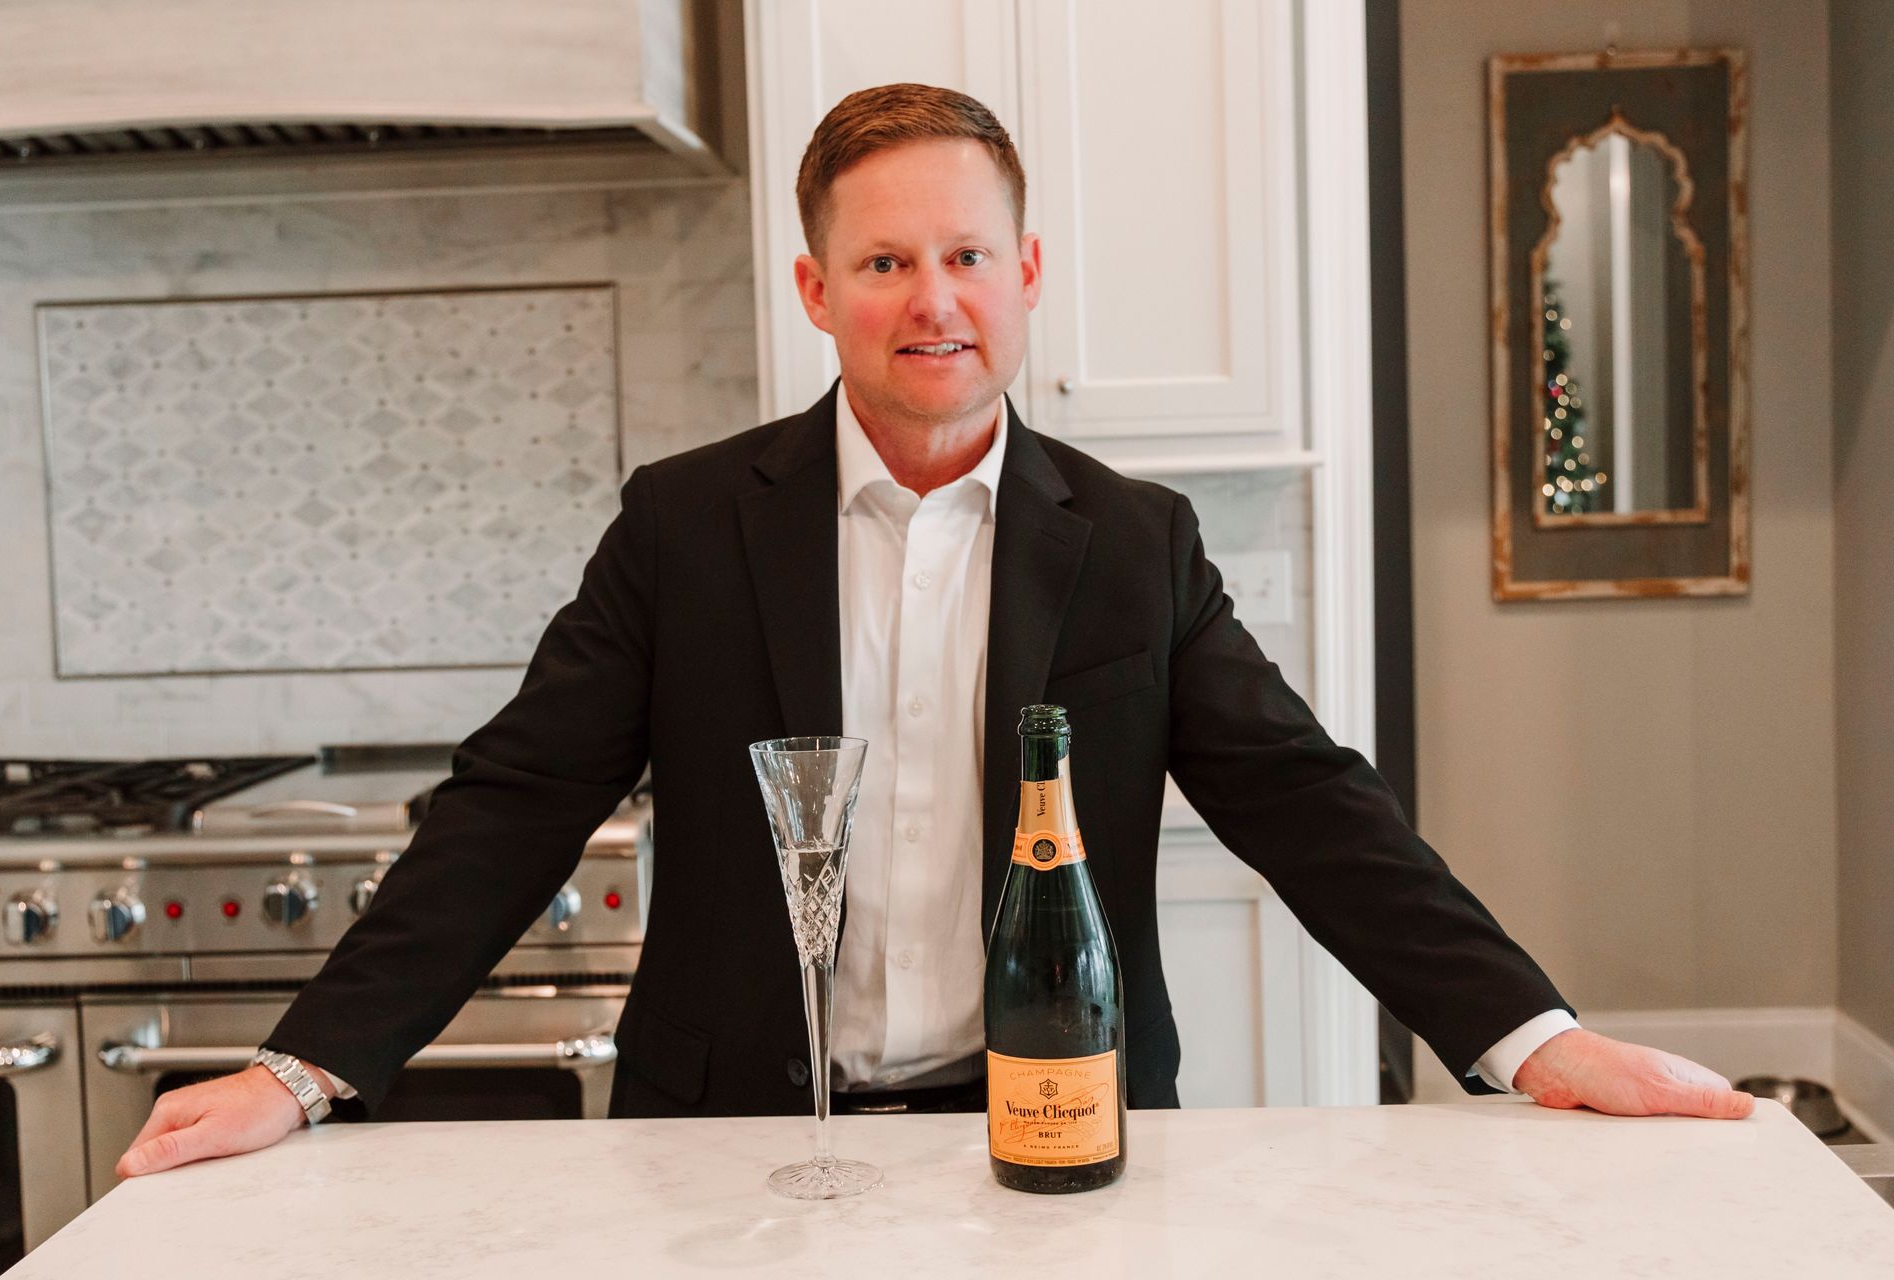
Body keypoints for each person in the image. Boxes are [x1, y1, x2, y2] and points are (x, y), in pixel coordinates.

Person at [117, 84, 1752, 1180]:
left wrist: (1530, 1040)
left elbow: (1310, 805)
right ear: (818, 289)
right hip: (730, 1144)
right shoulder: (688, 526)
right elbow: (514, 801)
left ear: (1026, 274)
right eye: (886, 260)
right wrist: (309, 1069)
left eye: (966, 255)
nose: (933, 299)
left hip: (1052, 1130)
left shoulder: (1132, 541)